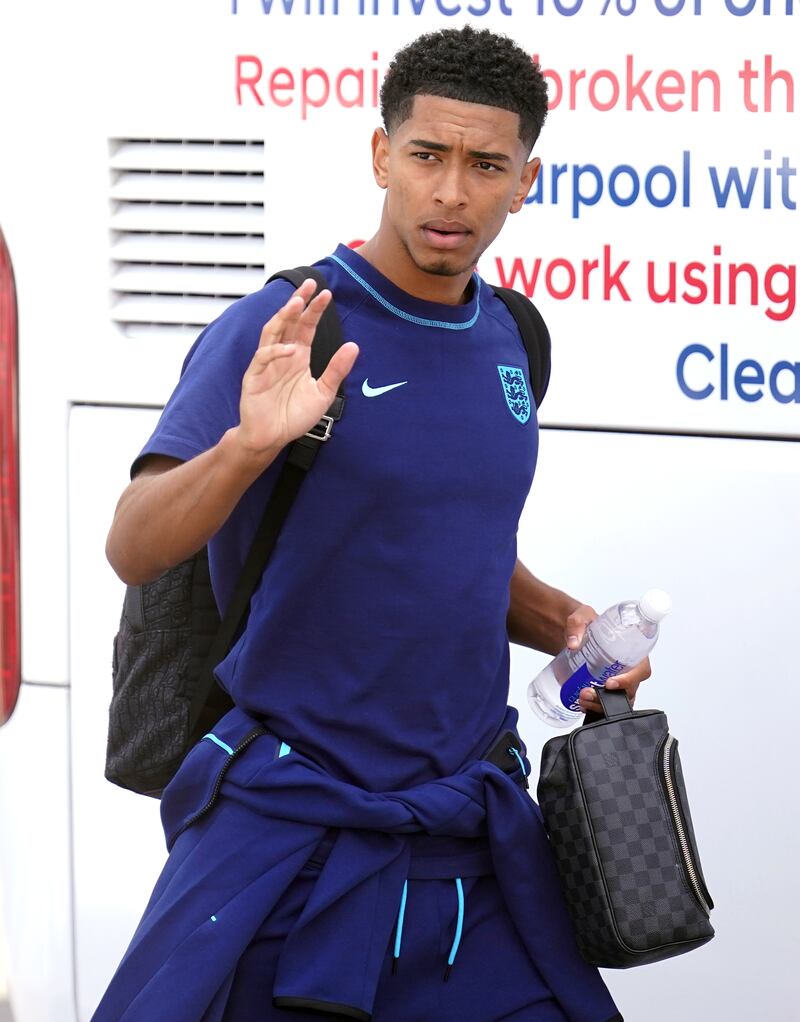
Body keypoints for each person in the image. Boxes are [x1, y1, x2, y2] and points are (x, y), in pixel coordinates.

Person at [97, 24, 648, 1022]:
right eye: (427, 155)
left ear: (524, 179)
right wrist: (246, 449)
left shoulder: (513, 334)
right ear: (379, 155)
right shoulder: (296, 324)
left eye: (485, 165)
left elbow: (448, 545)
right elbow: (131, 542)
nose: (450, 192)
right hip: (291, 829)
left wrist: (568, 622)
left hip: (468, 829)